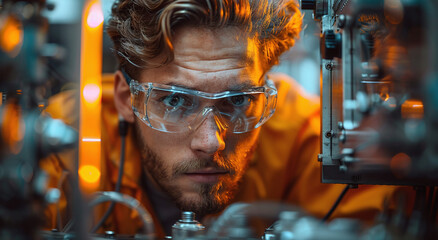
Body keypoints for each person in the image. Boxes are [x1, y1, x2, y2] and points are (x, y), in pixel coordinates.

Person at [42, 0, 411, 238]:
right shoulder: (65, 139)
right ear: (126, 99)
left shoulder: (315, 142)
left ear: (269, 95)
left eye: (237, 100)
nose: (211, 141)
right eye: (174, 100)